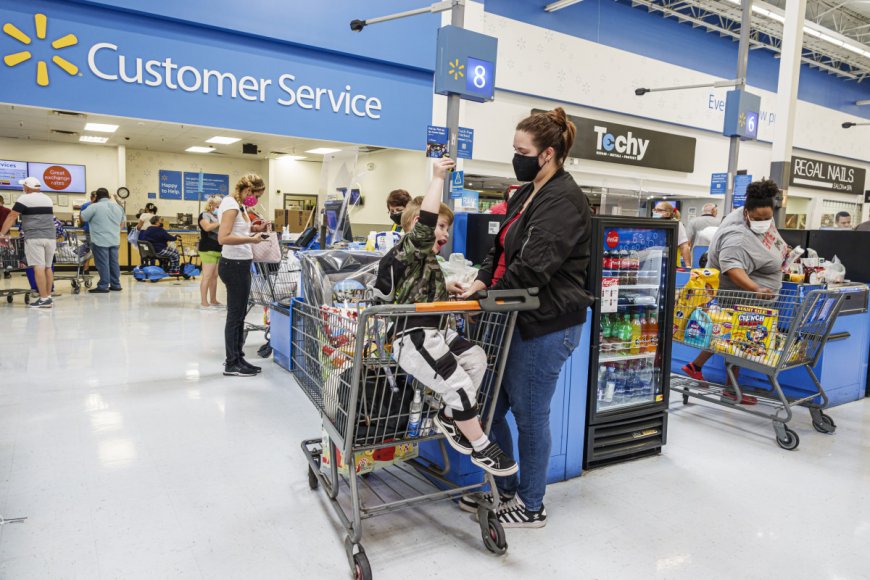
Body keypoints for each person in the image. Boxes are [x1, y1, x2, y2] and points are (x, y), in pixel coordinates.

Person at [458, 108, 593, 528]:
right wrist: (480, 282)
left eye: (522, 150)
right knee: (492, 407)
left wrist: (487, 300)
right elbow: (499, 249)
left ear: (547, 154)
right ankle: (507, 485)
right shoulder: (525, 192)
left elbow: (533, 268)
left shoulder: (565, 200)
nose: (515, 157)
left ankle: (532, 504)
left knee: (531, 414)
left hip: (546, 322)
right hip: (512, 313)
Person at [371, 157, 517, 478]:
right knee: (461, 387)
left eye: (447, 228)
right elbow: (423, 226)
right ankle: (481, 445)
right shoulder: (407, 249)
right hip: (413, 337)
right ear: (415, 227)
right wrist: (438, 177)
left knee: (477, 359)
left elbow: (418, 287)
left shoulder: (429, 263)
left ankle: (451, 418)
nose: (444, 233)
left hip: (437, 332)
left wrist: (447, 287)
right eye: (438, 225)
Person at [681, 180, 788, 405]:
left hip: (748, 297)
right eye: (757, 219)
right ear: (746, 213)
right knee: (739, 340)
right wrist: (756, 288)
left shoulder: (752, 215)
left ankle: (696, 366)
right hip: (741, 295)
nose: (763, 222)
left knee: (730, 336)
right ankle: (730, 389)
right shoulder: (737, 235)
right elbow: (732, 268)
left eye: (767, 218)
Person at [217, 173, 268, 377]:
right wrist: (252, 240)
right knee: (235, 316)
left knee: (239, 316)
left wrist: (256, 229)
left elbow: (239, 231)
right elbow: (224, 237)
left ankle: (238, 357)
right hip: (234, 265)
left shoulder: (240, 206)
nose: (257, 200)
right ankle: (231, 363)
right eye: (257, 195)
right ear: (248, 191)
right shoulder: (230, 205)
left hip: (241, 263)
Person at [0, 177, 56, 308]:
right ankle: (47, 296)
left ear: (27, 187)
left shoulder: (24, 198)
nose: (23, 188)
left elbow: (12, 216)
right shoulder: (47, 198)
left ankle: (42, 298)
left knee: (38, 267)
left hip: (35, 237)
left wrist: (2, 234)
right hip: (50, 237)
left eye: (24, 186)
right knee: (48, 267)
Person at [80, 188, 125, 293]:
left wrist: (91, 203)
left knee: (102, 263)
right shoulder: (118, 207)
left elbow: (83, 218)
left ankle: (103, 285)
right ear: (108, 196)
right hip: (114, 239)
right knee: (114, 262)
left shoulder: (94, 206)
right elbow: (122, 222)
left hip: (100, 240)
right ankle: (116, 284)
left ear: (97, 197)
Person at [198, 196, 223, 309]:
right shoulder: (204, 215)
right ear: (212, 205)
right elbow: (207, 227)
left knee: (214, 276)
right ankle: (204, 301)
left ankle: (213, 300)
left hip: (218, 248)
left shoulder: (217, 216)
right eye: (218, 206)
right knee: (207, 276)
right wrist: (220, 222)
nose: (220, 208)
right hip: (207, 248)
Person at [654, 202, 691, 268]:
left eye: (659, 210)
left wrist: (688, 266)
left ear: (668, 213)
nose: (655, 212)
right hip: (655, 262)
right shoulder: (653, 223)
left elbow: (684, 246)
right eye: (655, 210)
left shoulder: (677, 225)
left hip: (672, 265)